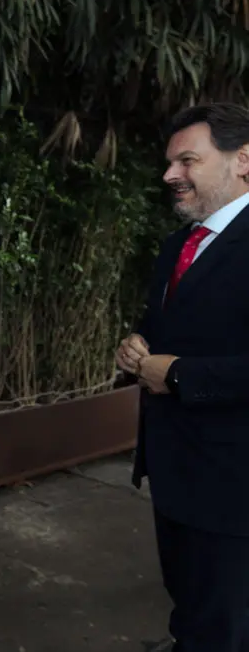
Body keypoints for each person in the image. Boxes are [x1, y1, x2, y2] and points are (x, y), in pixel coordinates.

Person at [115, 102, 249, 652]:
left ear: (243, 160)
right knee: (192, 614)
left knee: (223, 627)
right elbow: (164, 334)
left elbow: (183, 367)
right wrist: (135, 348)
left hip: (234, 489)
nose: (171, 175)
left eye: (188, 160)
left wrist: (178, 375)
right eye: (170, 162)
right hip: (175, 474)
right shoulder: (179, 245)